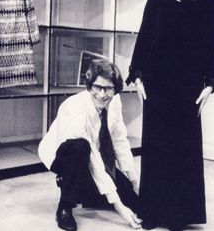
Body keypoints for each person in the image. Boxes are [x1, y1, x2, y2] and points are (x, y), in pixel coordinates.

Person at [126, 0, 214, 231]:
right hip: (158, 83)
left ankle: (180, 216)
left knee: (183, 149)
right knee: (156, 148)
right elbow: (144, 38)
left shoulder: (208, 0)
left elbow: (213, 45)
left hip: (189, 86)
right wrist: (138, 74)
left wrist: (210, 82)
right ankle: (153, 213)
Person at [38, 59, 142, 231]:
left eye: (108, 88)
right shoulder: (75, 109)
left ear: (115, 89)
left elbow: (120, 140)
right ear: (89, 86)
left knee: (136, 201)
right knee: (80, 148)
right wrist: (119, 207)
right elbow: (93, 159)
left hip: (96, 153)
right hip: (63, 154)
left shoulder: (114, 101)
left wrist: (135, 182)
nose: (102, 95)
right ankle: (65, 206)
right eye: (97, 87)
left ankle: (91, 194)